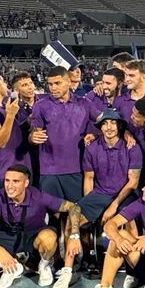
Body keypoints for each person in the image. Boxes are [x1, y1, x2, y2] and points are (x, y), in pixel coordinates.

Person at [0, 164, 84, 288]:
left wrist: (75, 235)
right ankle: (11, 267)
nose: (9, 186)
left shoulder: (38, 196)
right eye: (7, 180)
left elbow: (74, 207)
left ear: (26, 183)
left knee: (49, 237)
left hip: (33, 236)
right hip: (9, 235)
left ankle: (44, 265)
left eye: (16, 181)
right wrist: (1, 253)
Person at [28, 65, 93, 202]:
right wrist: (33, 137)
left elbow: (103, 121)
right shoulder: (41, 106)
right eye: (50, 84)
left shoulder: (85, 104)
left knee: (76, 211)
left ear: (68, 81)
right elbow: (34, 132)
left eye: (57, 83)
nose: (53, 88)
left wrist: (94, 134)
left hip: (77, 168)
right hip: (49, 171)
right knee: (52, 214)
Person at [78, 107, 143, 226]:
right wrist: (89, 203)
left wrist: (114, 206)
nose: (109, 127)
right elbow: (89, 178)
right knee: (73, 220)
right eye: (105, 123)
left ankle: (132, 244)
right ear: (100, 128)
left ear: (119, 126)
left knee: (129, 221)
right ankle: (82, 243)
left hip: (125, 195)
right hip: (100, 194)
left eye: (113, 123)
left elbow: (133, 182)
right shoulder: (91, 148)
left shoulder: (132, 147)